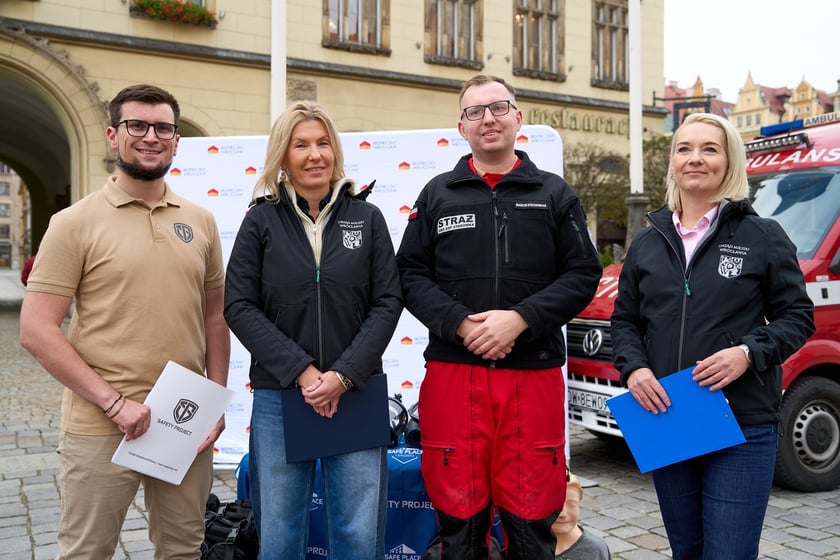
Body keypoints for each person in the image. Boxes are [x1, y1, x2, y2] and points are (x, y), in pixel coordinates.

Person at [18, 84, 231, 559]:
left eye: (163, 128)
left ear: (176, 141)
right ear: (114, 136)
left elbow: (215, 317)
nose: (150, 136)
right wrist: (115, 405)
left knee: (182, 550)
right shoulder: (73, 223)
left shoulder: (201, 221)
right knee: (88, 552)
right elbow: (36, 330)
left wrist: (213, 403)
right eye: (137, 125)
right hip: (101, 424)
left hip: (183, 420)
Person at [396, 74, 603, 559]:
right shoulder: (437, 194)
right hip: (455, 372)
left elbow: (582, 273)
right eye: (475, 112)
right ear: (461, 127)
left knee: (531, 520)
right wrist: (462, 325)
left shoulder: (555, 194)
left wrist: (520, 319)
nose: (487, 119)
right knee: (459, 520)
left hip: (531, 377)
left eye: (498, 108)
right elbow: (408, 274)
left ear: (518, 118)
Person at [610, 112, 815, 560]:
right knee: (687, 550)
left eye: (709, 149)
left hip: (741, 422)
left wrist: (747, 352)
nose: (695, 159)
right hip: (667, 416)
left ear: (729, 162)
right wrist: (635, 368)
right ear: (672, 161)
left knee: (729, 553)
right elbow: (625, 321)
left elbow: (798, 317)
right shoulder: (648, 242)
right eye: (685, 149)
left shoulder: (762, 236)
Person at [223, 100, 402, 560]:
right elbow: (239, 306)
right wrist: (304, 373)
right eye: (301, 145)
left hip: (356, 391)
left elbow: (387, 302)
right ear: (283, 156)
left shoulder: (368, 218)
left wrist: (342, 375)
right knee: (280, 538)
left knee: (359, 539)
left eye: (323, 143)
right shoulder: (259, 221)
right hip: (282, 396)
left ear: (335, 151)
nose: (314, 154)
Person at [552, 473, 611, 560]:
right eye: (554, 505)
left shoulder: (595, 550)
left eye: (572, 505)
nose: (562, 514)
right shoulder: (527, 544)